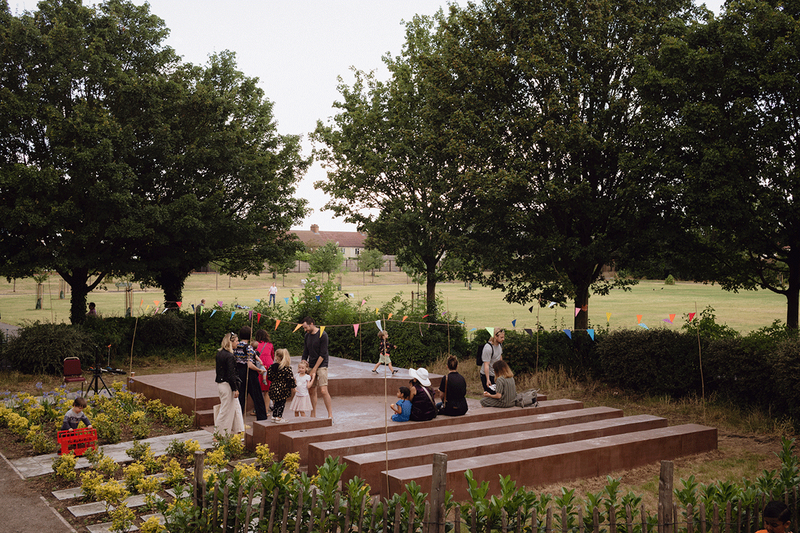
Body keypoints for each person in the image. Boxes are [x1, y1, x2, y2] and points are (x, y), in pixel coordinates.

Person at [234, 326, 269, 421]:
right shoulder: (248, 347)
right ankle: (262, 418)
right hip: (249, 373)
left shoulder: (236, 346)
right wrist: (259, 370)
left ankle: (238, 420)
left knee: (241, 397)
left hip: (239, 372)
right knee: (257, 396)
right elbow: (249, 364)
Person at [301, 316, 333, 418]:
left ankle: (330, 414)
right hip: (311, 363)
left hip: (322, 364)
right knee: (311, 390)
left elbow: (323, 354)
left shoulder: (323, 335)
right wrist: (303, 360)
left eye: (306, 327)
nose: (305, 330)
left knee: (323, 391)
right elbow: (306, 350)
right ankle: (313, 413)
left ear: (311, 324)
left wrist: (314, 369)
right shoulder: (307, 335)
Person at [214, 332, 244, 435]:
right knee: (225, 410)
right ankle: (218, 434)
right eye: (236, 341)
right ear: (230, 342)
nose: (238, 343)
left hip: (221, 384)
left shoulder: (220, 353)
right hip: (226, 384)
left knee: (232, 408)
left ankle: (237, 430)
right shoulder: (230, 356)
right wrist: (235, 388)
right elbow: (231, 374)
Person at [267, 348, 296, 423]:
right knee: (281, 403)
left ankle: (274, 416)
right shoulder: (286, 368)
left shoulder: (272, 367)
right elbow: (290, 378)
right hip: (283, 388)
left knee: (276, 402)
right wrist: (293, 387)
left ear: (276, 357)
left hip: (273, 387)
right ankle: (279, 417)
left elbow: (269, 377)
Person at [254, 329, 275, 413]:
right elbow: (272, 357)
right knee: (267, 390)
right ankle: (266, 411)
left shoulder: (255, 344)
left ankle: (257, 410)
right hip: (268, 366)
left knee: (257, 389)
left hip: (258, 366)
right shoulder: (270, 345)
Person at [479, 329, 505, 393]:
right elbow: (486, 365)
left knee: (499, 394)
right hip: (487, 375)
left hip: (496, 374)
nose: (503, 339)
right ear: (495, 337)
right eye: (501, 337)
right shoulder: (488, 348)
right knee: (491, 396)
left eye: (503, 337)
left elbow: (500, 357)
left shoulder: (500, 345)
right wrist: (488, 379)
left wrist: (502, 372)